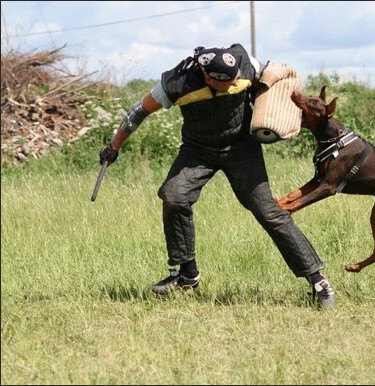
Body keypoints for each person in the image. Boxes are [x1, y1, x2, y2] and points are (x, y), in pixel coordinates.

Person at [98, 43, 336, 309]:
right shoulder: (177, 83)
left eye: (236, 79)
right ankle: (186, 274)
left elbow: (278, 73)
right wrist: (113, 147)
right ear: (206, 76)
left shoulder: (244, 63)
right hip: (197, 150)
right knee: (174, 196)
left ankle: (318, 282)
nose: (234, 84)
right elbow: (138, 111)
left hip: (242, 148)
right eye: (226, 82)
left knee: (267, 210)